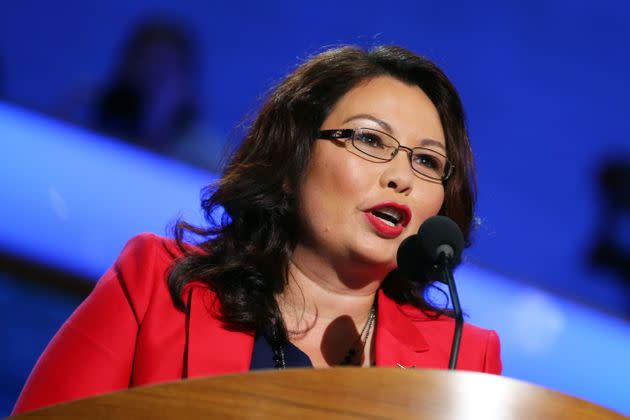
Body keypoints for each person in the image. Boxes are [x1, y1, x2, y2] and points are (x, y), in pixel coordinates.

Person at [13, 45, 501, 414]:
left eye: (427, 161)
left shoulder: (463, 357)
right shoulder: (158, 285)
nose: (402, 176)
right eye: (371, 139)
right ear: (292, 160)